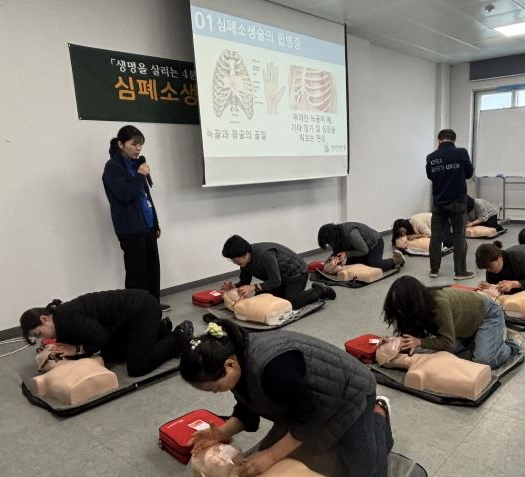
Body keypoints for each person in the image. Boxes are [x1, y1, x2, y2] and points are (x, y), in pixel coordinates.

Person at [179, 320, 394, 477]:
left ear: (230, 365)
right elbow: (247, 408)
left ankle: (378, 414)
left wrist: (272, 455)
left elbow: (310, 418)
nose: (217, 392)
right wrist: (221, 433)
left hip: (349, 395)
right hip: (304, 406)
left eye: (215, 388)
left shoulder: (273, 368)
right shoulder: (234, 363)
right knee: (268, 466)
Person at [20, 289, 193, 377]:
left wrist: (76, 349)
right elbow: (79, 354)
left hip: (142, 309)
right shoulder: (60, 325)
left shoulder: (66, 318)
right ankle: (159, 331)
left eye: (39, 333)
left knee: (137, 367)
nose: (43, 338)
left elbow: (101, 337)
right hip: (126, 321)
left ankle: (178, 337)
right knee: (111, 355)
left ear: (44, 319)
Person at [382, 275, 520, 369]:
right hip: (465, 324)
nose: (399, 311)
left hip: (489, 315)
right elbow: (411, 336)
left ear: (412, 303)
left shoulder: (438, 305)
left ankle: (510, 344)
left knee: (484, 360)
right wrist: (395, 342)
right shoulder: (416, 306)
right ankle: (480, 339)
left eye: (401, 307)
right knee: (428, 351)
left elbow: (446, 341)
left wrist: (420, 341)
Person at [102, 125, 170, 312]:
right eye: (134, 144)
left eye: (140, 144)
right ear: (121, 144)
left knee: (152, 268)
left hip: (147, 225)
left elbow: (146, 197)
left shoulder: (136, 164)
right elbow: (125, 194)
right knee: (136, 272)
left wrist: (155, 222)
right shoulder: (113, 167)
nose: (138, 148)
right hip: (130, 229)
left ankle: (153, 304)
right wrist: (140, 175)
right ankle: (136, 309)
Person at [221, 235, 336, 308]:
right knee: (260, 297)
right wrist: (234, 286)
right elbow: (245, 282)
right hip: (280, 278)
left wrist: (253, 287)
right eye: (232, 259)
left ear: (245, 253)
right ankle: (286, 292)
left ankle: (319, 290)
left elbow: (275, 281)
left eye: (235, 259)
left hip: (296, 274)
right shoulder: (244, 262)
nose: (234, 262)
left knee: (291, 303)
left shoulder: (265, 256)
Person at [426, 129, 475, 280]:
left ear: (438, 140)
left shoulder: (431, 157)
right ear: (454, 140)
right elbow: (469, 173)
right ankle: (460, 272)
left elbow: (430, 176)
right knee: (459, 236)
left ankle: (434, 270)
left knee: (436, 237)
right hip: (458, 202)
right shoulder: (461, 153)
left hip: (439, 202)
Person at [317, 222, 405, 272]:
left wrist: (347, 253)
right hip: (359, 247)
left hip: (375, 244)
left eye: (330, 243)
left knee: (374, 266)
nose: (330, 245)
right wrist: (326, 263)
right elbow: (336, 253)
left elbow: (364, 251)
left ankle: (396, 260)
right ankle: (366, 260)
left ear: (335, 237)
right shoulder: (334, 236)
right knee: (349, 264)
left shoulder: (352, 235)